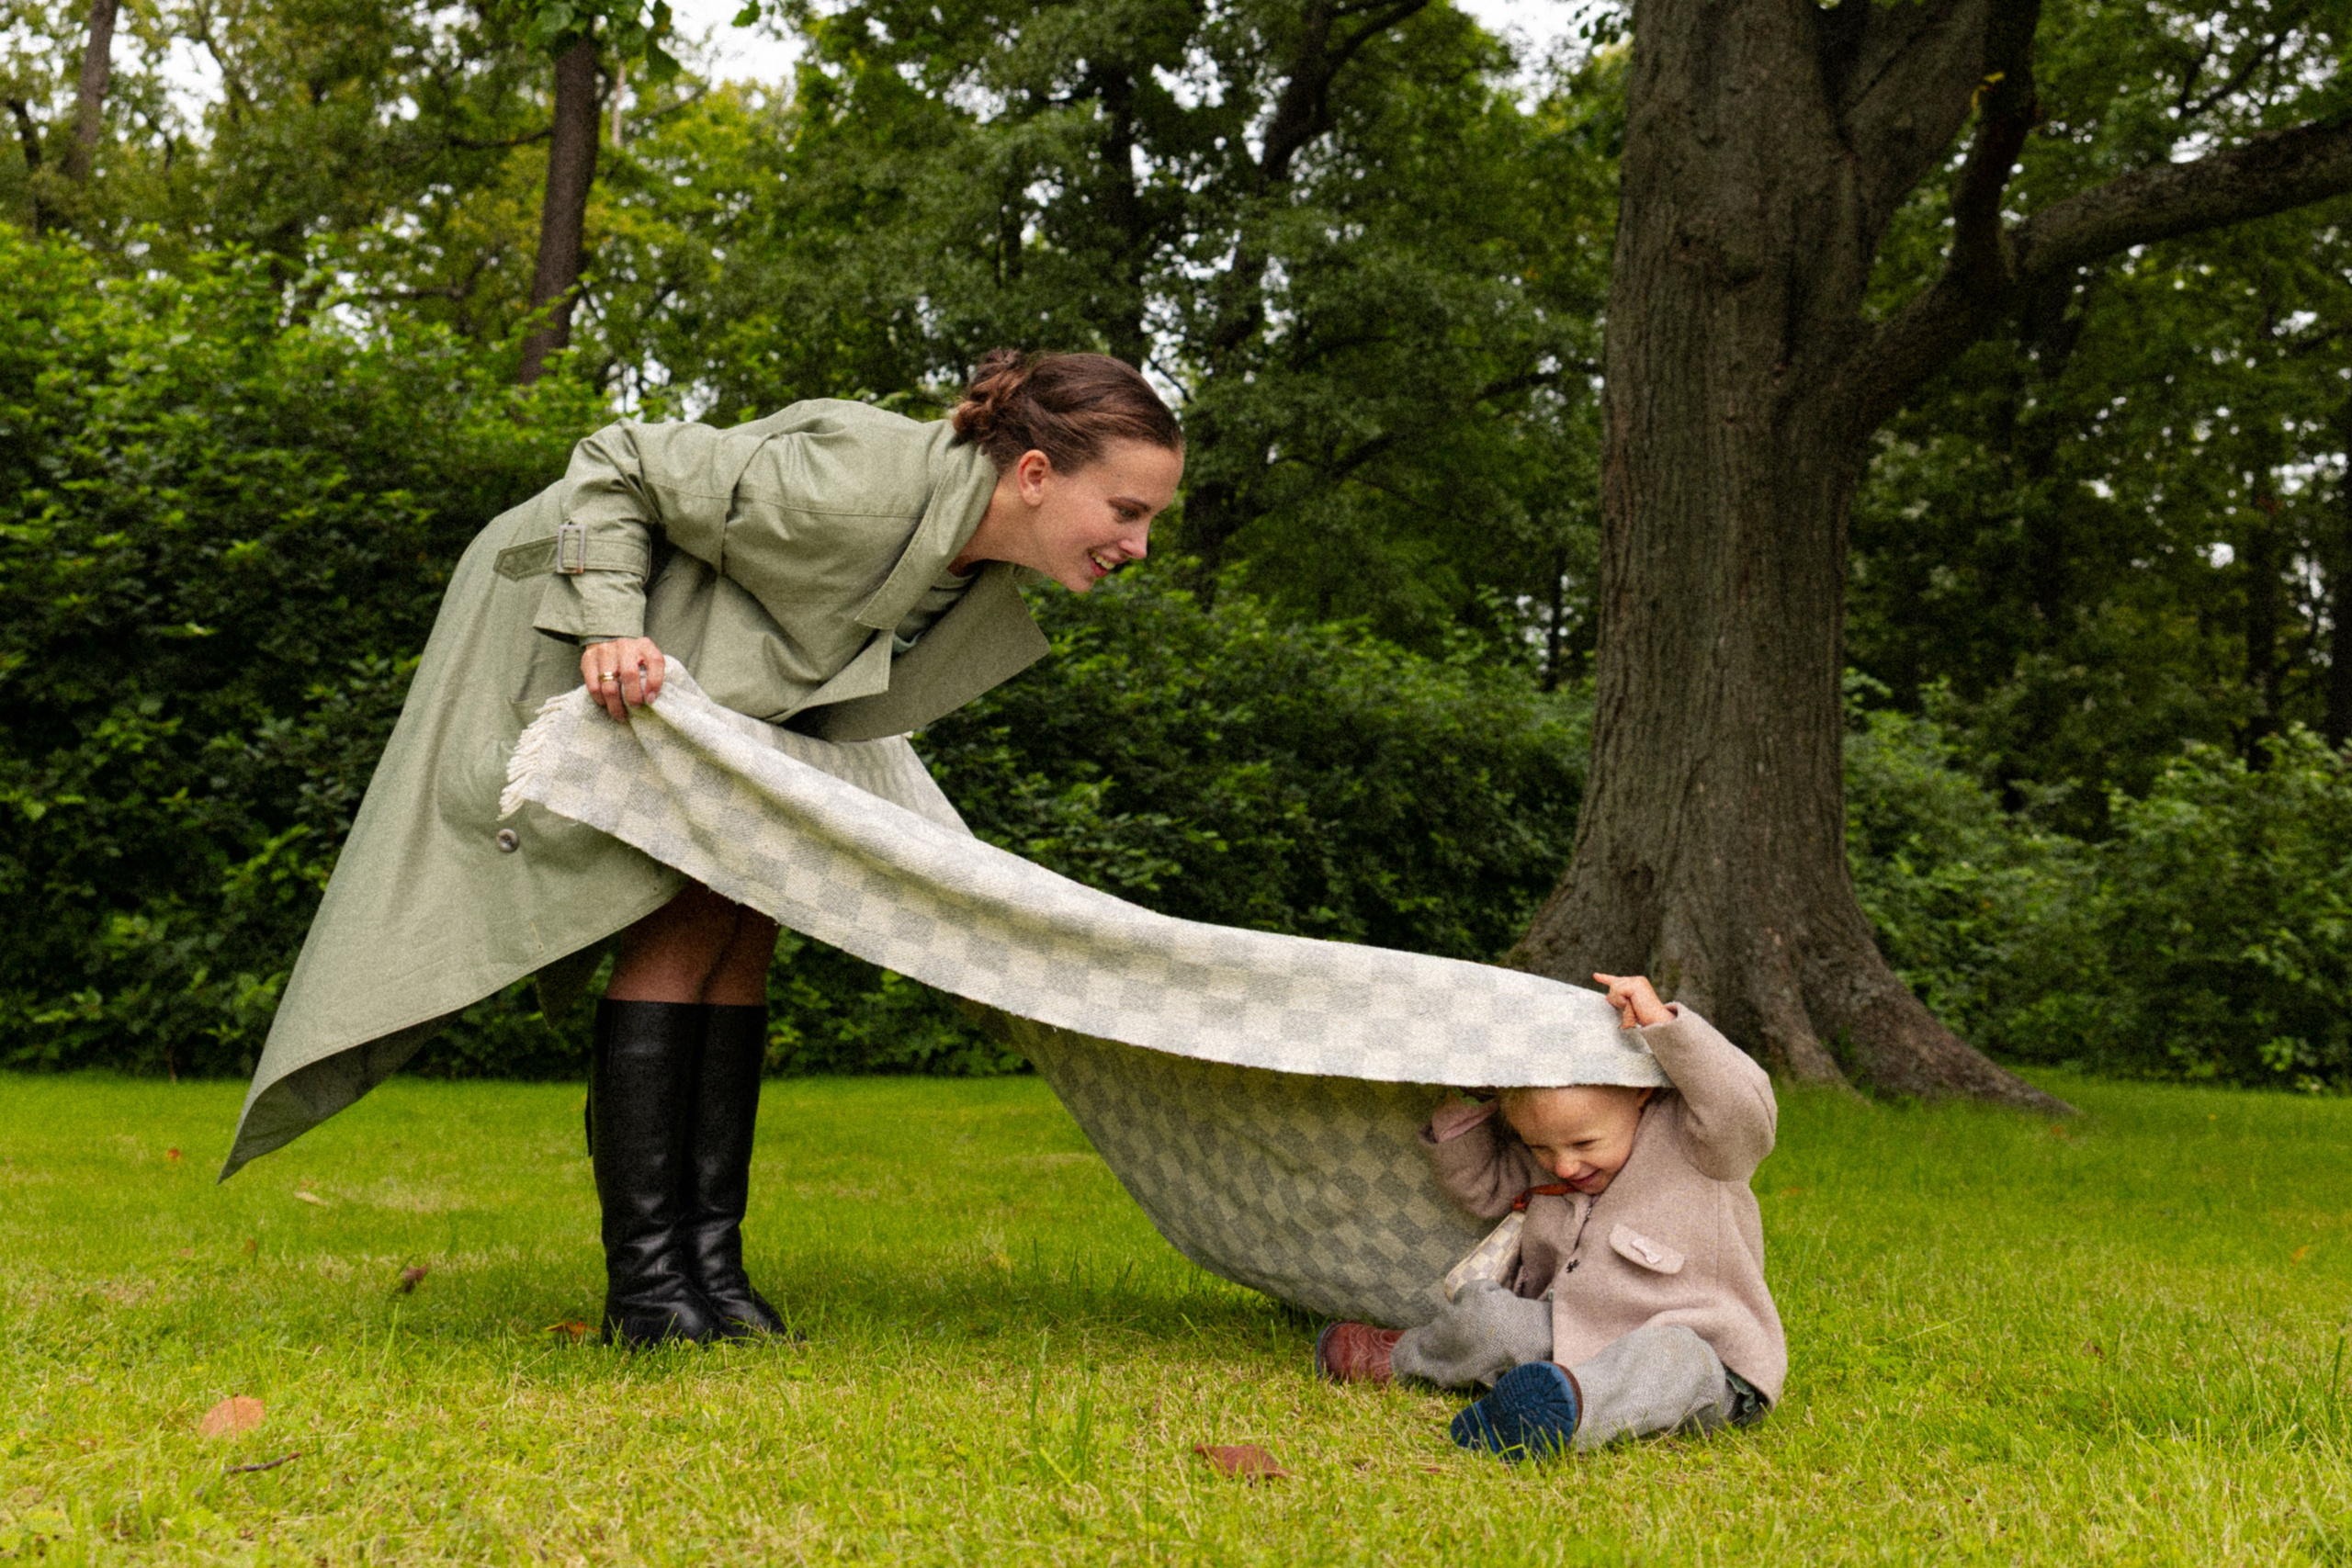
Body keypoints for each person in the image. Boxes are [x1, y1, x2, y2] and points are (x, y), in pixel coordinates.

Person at [220, 351, 1183, 1349]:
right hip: (574, 600)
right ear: (1033, 474)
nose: (1139, 542)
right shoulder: (853, 491)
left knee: (745, 914)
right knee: (678, 913)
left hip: (720, 682)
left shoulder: (971, 552)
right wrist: (607, 625)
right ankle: (647, 1290)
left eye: (1149, 518)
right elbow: (618, 459)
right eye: (1124, 510)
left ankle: (709, 1272)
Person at [1314, 974, 1785, 1460]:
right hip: (1570, 1334)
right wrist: (1470, 1102)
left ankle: (1561, 1414)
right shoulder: (1551, 1162)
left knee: (1667, 1359)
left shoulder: (1700, 1144)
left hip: (1707, 1362)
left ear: (1640, 1095)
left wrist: (1667, 1028)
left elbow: (1742, 1107)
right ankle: (1403, 1358)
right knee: (1489, 1316)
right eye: (1540, 1146)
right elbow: (1480, 1189)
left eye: (1584, 1144)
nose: (1563, 1166)